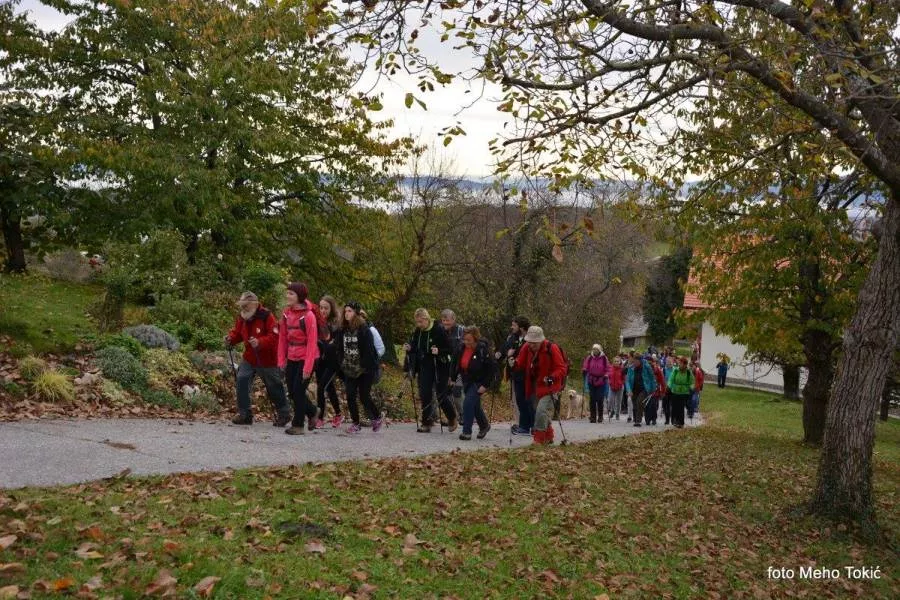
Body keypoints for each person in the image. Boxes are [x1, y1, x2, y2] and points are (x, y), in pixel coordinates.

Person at [224, 291, 291, 426]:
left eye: (246, 306)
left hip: (267, 359)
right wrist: (230, 339)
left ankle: (284, 414)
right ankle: (245, 414)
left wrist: (259, 342)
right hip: (250, 357)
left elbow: (274, 337)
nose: (243, 308)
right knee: (242, 379)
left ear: (254, 305)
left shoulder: (266, 316)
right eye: (242, 305)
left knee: (274, 386)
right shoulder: (242, 317)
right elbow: (237, 333)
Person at [403, 308, 458, 433]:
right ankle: (426, 422)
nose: (419, 325)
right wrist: (409, 348)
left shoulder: (438, 329)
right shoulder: (418, 331)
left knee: (440, 394)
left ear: (427, 319)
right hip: (425, 365)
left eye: (421, 322)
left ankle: (452, 417)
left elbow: (450, 348)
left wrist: (439, 351)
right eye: (417, 322)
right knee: (425, 394)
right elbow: (415, 347)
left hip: (440, 365)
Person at [334, 301, 383, 434]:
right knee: (350, 395)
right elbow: (338, 348)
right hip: (349, 368)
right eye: (345, 311)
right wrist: (342, 362)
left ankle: (377, 417)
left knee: (364, 396)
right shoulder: (342, 329)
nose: (346, 314)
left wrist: (363, 366)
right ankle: (355, 423)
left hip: (365, 369)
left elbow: (368, 351)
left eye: (349, 311)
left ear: (356, 313)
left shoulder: (363, 329)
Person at [277, 282, 320, 435]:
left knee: (298, 390)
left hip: (308, 358)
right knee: (293, 392)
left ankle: (298, 425)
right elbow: (282, 338)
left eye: (291, 294)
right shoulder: (286, 314)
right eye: (287, 293)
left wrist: (307, 369)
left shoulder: (308, 316)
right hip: (292, 357)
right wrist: (281, 361)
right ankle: (313, 411)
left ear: (299, 297)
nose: (287, 296)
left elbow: (312, 344)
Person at [513, 326, 568, 445]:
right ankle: (548, 436)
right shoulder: (526, 347)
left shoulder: (551, 348)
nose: (531, 345)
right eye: (530, 342)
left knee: (541, 411)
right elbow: (520, 363)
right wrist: (513, 364)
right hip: (534, 386)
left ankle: (539, 439)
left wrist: (552, 377)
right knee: (541, 411)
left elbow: (562, 368)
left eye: (534, 343)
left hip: (550, 385)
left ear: (541, 340)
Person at [450, 326, 494, 441]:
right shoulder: (461, 347)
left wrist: (485, 385)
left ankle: (466, 432)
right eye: (464, 339)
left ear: (475, 338)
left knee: (468, 403)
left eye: (469, 340)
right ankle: (484, 425)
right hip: (466, 379)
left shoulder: (482, 349)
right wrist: (453, 377)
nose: (466, 342)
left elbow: (491, 369)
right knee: (475, 406)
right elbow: (455, 362)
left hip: (479, 381)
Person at [497, 316, 532, 436]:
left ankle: (528, 426)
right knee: (519, 400)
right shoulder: (514, 337)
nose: (512, 327)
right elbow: (506, 347)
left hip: (526, 374)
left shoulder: (530, 339)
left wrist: (513, 353)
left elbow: (525, 354)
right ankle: (523, 425)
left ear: (521, 328)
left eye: (514, 325)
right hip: (515, 373)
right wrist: (499, 355)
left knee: (526, 400)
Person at [315, 295, 343, 429]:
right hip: (320, 360)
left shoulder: (336, 324)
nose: (323, 310)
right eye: (321, 307)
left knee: (321, 388)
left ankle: (320, 417)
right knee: (329, 388)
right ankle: (338, 414)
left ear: (331, 308)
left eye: (326, 308)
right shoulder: (317, 322)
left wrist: (329, 344)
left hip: (333, 362)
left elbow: (336, 344)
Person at [440, 309, 466, 417]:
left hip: (459, 367)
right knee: (446, 392)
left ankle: (463, 414)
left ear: (454, 319)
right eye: (443, 320)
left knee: (457, 391)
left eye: (448, 320)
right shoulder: (440, 331)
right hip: (445, 366)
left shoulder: (462, 330)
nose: (445, 323)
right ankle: (452, 416)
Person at [625, 354, 657, 427]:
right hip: (634, 389)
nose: (635, 363)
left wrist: (653, 388)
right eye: (634, 361)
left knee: (639, 401)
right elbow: (627, 380)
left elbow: (652, 378)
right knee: (636, 404)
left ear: (640, 361)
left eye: (636, 361)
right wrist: (629, 390)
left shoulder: (646, 367)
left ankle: (638, 421)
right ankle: (637, 419)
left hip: (644, 388)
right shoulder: (631, 368)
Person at [581, 344, 610, 423]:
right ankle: (593, 416)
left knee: (600, 398)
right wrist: (584, 370)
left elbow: (608, 368)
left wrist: (606, 375)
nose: (595, 350)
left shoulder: (604, 358)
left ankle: (600, 416)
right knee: (592, 399)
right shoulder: (589, 358)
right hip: (591, 380)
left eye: (596, 349)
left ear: (599, 350)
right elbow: (585, 366)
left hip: (601, 380)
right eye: (593, 349)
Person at [667, 356, 695, 428]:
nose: (679, 365)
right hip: (675, 390)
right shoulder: (675, 371)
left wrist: (692, 387)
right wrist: (669, 386)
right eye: (679, 363)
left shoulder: (688, 372)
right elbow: (671, 379)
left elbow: (692, 382)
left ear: (685, 365)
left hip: (684, 392)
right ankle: (674, 421)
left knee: (681, 407)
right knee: (675, 406)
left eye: (681, 363)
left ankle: (681, 422)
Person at [359, 309, 385, 384]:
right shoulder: (355, 330)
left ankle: (381, 368)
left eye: (362, 317)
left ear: (364, 318)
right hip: (360, 363)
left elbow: (381, 348)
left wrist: (373, 357)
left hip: (371, 362)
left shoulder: (371, 330)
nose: (360, 319)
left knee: (370, 383)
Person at [647, 356, 667, 426]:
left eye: (650, 363)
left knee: (653, 405)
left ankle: (654, 418)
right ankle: (648, 418)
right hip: (646, 391)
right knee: (647, 405)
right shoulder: (645, 370)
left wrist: (663, 392)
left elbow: (662, 381)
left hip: (655, 391)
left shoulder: (657, 370)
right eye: (647, 363)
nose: (649, 364)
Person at [607, 357, 626, 421]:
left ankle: (617, 414)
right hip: (612, 387)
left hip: (620, 387)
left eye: (618, 361)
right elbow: (608, 376)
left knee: (618, 402)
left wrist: (621, 383)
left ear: (620, 362)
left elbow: (624, 378)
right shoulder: (610, 368)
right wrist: (609, 382)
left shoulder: (622, 369)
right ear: (613, 362)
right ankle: (612, 410)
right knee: (610, 400)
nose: (616, 362)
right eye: (615, 361)